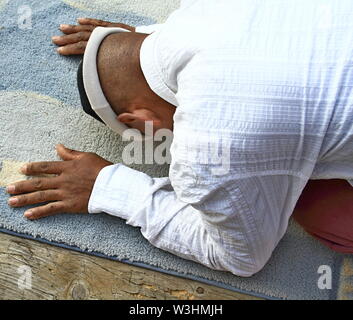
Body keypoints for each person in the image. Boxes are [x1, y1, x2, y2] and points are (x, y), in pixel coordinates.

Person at [6, 0, 353, 276]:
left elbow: (242, 257)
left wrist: (108, 186)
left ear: (139, 121)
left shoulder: (205, 155)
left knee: (328, 220)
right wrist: (138, 45)